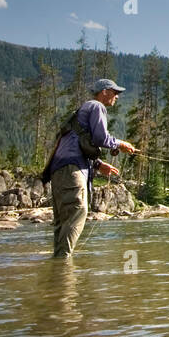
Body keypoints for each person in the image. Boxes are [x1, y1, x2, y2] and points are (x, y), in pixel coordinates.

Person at [45, 78, 137, 257]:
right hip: (72, 169)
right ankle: (63, 265)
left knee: (63, 221)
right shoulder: (96, 106)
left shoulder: (82, 110)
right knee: (78, 210)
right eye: (114, 92)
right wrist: (120, 144)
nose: (117, 96)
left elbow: (78, 142)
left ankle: (58, 270)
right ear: (104, 92)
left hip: (58, 171)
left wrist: (98, 165)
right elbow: (101, 138)